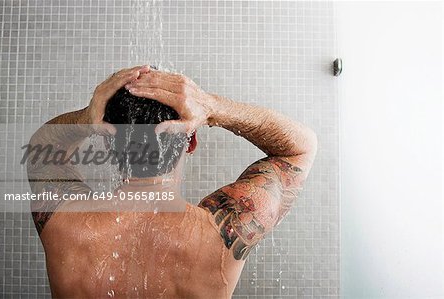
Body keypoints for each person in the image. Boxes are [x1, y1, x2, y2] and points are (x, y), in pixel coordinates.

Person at [27, 65, 317, 298]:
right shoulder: (224, 232)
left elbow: (41, 149)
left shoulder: (64, 222)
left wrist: (85, 119)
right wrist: (212, 108)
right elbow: (300, 147)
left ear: (106, 141)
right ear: (190, 142)